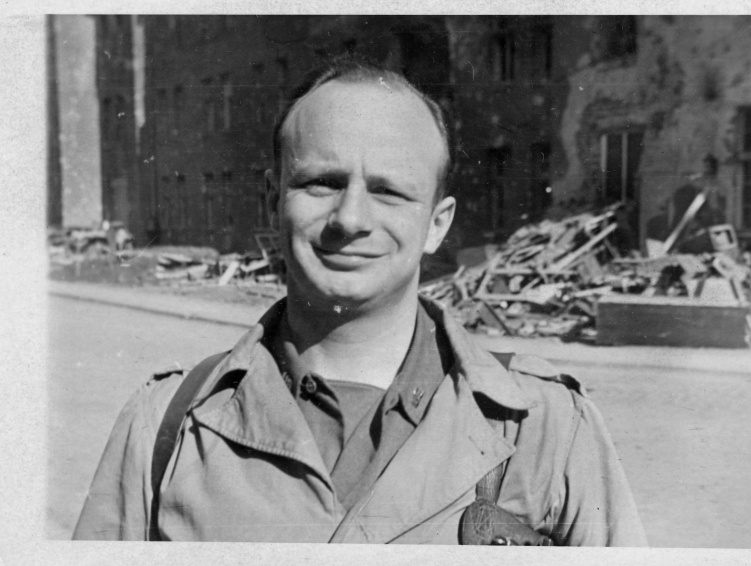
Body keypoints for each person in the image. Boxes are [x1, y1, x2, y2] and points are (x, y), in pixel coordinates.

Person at [73, 56, 647, 545]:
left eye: (389, 191)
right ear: (273, 199)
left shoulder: (547, 427)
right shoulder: (165, 424)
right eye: (321, 182)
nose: (350, 219)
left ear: (437, 224)